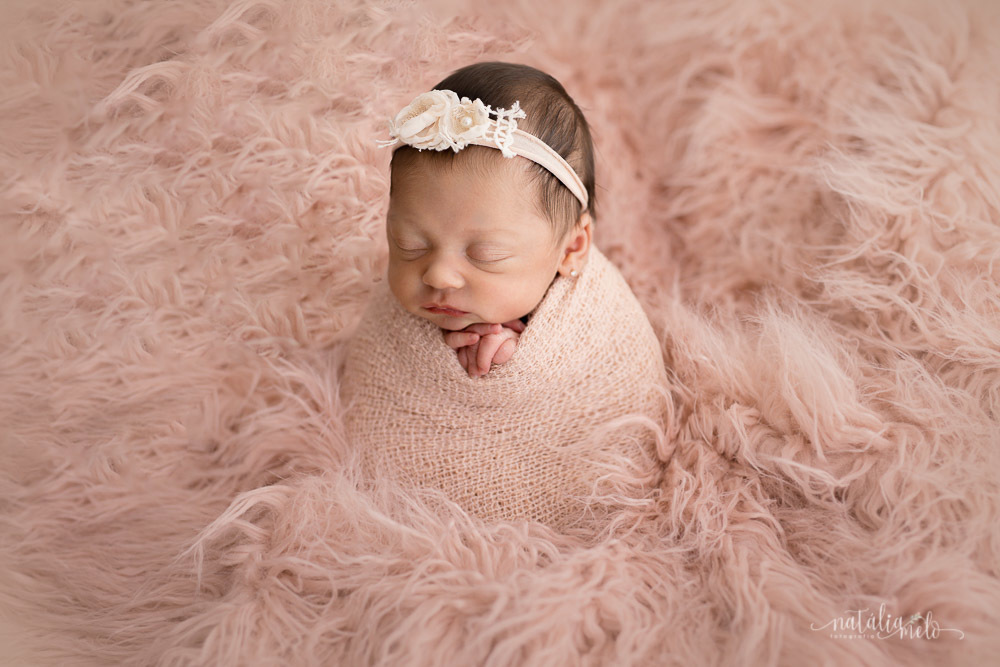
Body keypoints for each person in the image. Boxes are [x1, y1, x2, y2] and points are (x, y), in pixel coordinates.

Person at [378, 61, 595, 378]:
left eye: (485, 255)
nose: (438, 277)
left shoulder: (589, 321)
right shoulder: (388, 324)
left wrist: (522, 362)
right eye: (409, 245)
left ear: (571, 248)